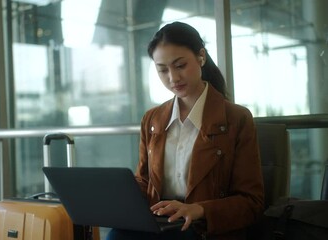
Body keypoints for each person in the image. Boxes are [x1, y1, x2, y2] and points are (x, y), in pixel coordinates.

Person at [106, 22, 264, 240]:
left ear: (201, 57)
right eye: (162, 70)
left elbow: (251, 202)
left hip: (202, 228)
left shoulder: (236, 118)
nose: (173, 78)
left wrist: (198, 209)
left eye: (180, 65)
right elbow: (144, 182)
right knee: (116, 236)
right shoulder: (152, 119)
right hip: (160, 223)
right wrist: (114, 200)